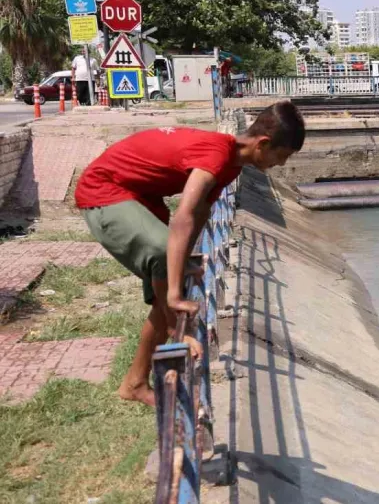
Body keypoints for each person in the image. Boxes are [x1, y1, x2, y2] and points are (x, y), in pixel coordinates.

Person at [75, 101, 306, 406]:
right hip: (105, 191)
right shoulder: (216, 155)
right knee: (161, 255)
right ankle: (174, 330)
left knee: (172, 278)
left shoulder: (231, 163)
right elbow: (183, 216)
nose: (282, 164)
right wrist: (173, 296)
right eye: (282, 156)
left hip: (142, 196)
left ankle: (134, 383)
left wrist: (183, 265)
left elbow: (200, 212)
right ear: (263, 144)